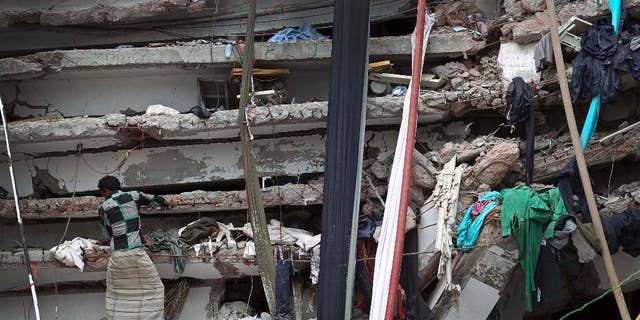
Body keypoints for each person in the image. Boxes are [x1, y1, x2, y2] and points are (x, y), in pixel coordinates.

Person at [97, 175, 169, 320]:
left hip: (117, 256)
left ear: (106, 190)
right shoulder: (133, 195)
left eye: (102, 193)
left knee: (117, 295)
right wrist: (164, 204)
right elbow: (158, 200)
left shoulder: (103, 208)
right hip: (136, 254)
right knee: (155, 290)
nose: (103, 196)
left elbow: (106, 236)